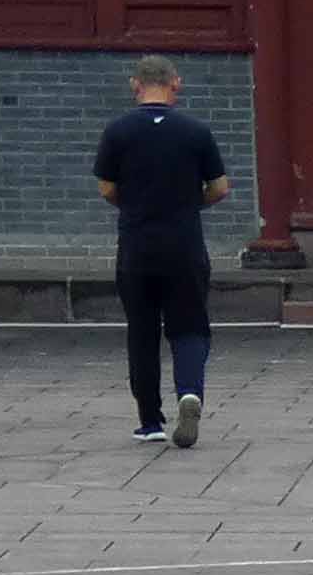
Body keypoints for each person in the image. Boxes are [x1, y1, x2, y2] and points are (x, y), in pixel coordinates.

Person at [95, 55, 231, 448]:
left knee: (142, 331)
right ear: (176, 84)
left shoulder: (117, 131)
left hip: (137, 246)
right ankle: (189, 392)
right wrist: (189, 203)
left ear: (135, 85)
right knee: (189, 326)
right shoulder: (196, 131)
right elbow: (220, 187)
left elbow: (106, 188)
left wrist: (136, 204)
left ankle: (150, 421)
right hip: (184, 244)